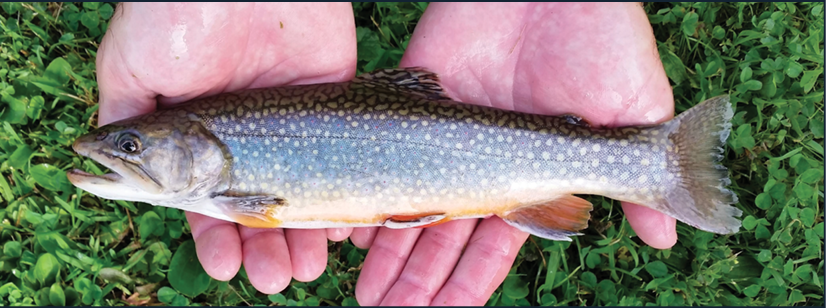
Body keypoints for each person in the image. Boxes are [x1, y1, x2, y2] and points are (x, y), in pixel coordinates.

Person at [95, 3, 677, 305]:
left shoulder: (236, 197)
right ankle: (650, 164)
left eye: (130, 147)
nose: (116, 150)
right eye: (129, 145)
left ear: (195, 144)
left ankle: (658, 163)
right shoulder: (227, 188)